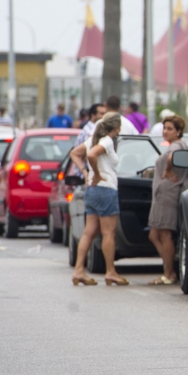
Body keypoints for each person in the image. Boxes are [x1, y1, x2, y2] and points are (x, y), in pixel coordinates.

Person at [70, 113, 128, 286]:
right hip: (105, 189)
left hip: (93, 191)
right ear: (116, 127)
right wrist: (98, 174)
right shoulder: (107, 141)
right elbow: (92, 155)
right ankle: (110, 272)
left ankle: (79, 270)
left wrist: (86, 172)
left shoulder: (92, 140)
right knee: (108, 233)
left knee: (89, 232)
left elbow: (75, 153)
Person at [147, 115, 188, 285]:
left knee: (165, 234)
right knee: (154, 234)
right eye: (164, 128)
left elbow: (172, 157)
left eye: (170, 128)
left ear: (178, 131)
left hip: (168, 194)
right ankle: (169, 268)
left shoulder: (177, 145)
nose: (165, 131)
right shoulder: (172, 145)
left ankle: (169, 273)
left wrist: (168, 169)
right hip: (161, 194)